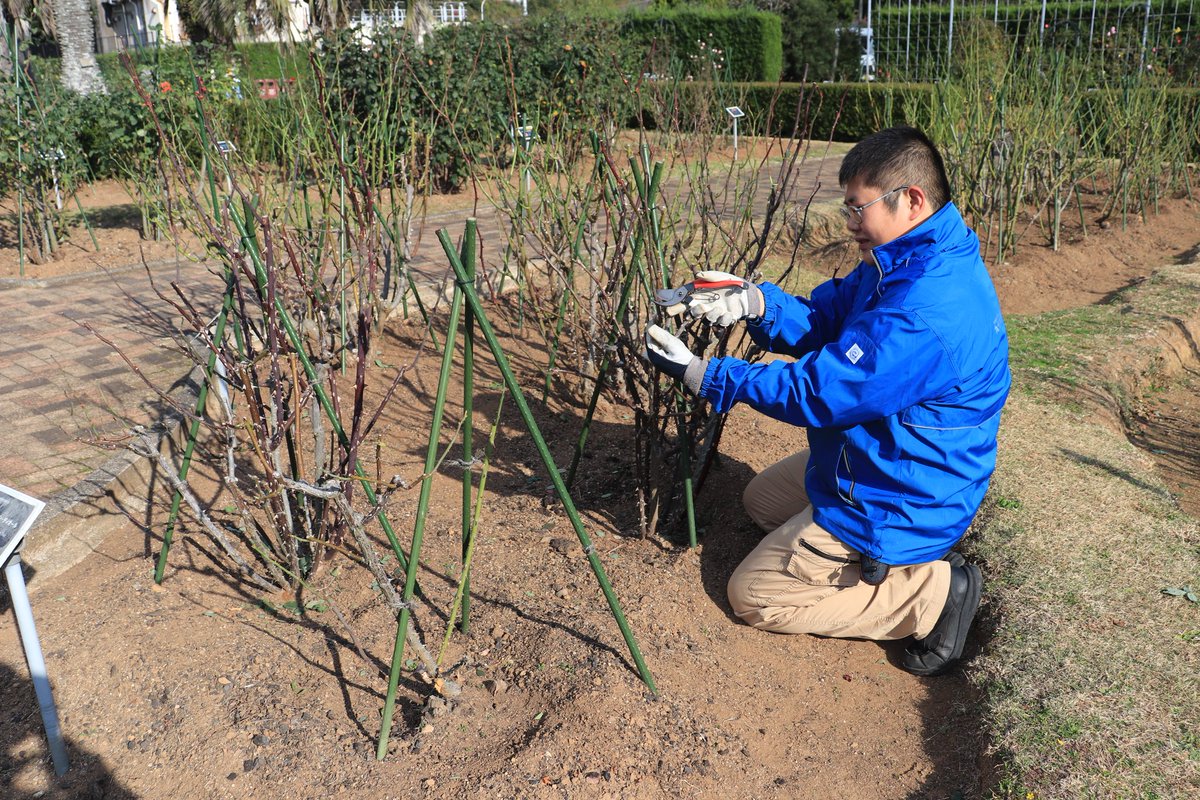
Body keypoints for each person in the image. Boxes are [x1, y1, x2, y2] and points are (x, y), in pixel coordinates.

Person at [644, 126, 1010, 676]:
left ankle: (931, 594)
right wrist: (755, 302)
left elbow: (822, 391)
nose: (849, 225)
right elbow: (824, 318)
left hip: (902, 493)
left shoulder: (927, 309)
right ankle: (846, 553)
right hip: (880, 456)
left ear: (911, 199)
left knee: (753, 595)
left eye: (856, 209)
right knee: (761, 501)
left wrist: (706, 375)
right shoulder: (902, 260)